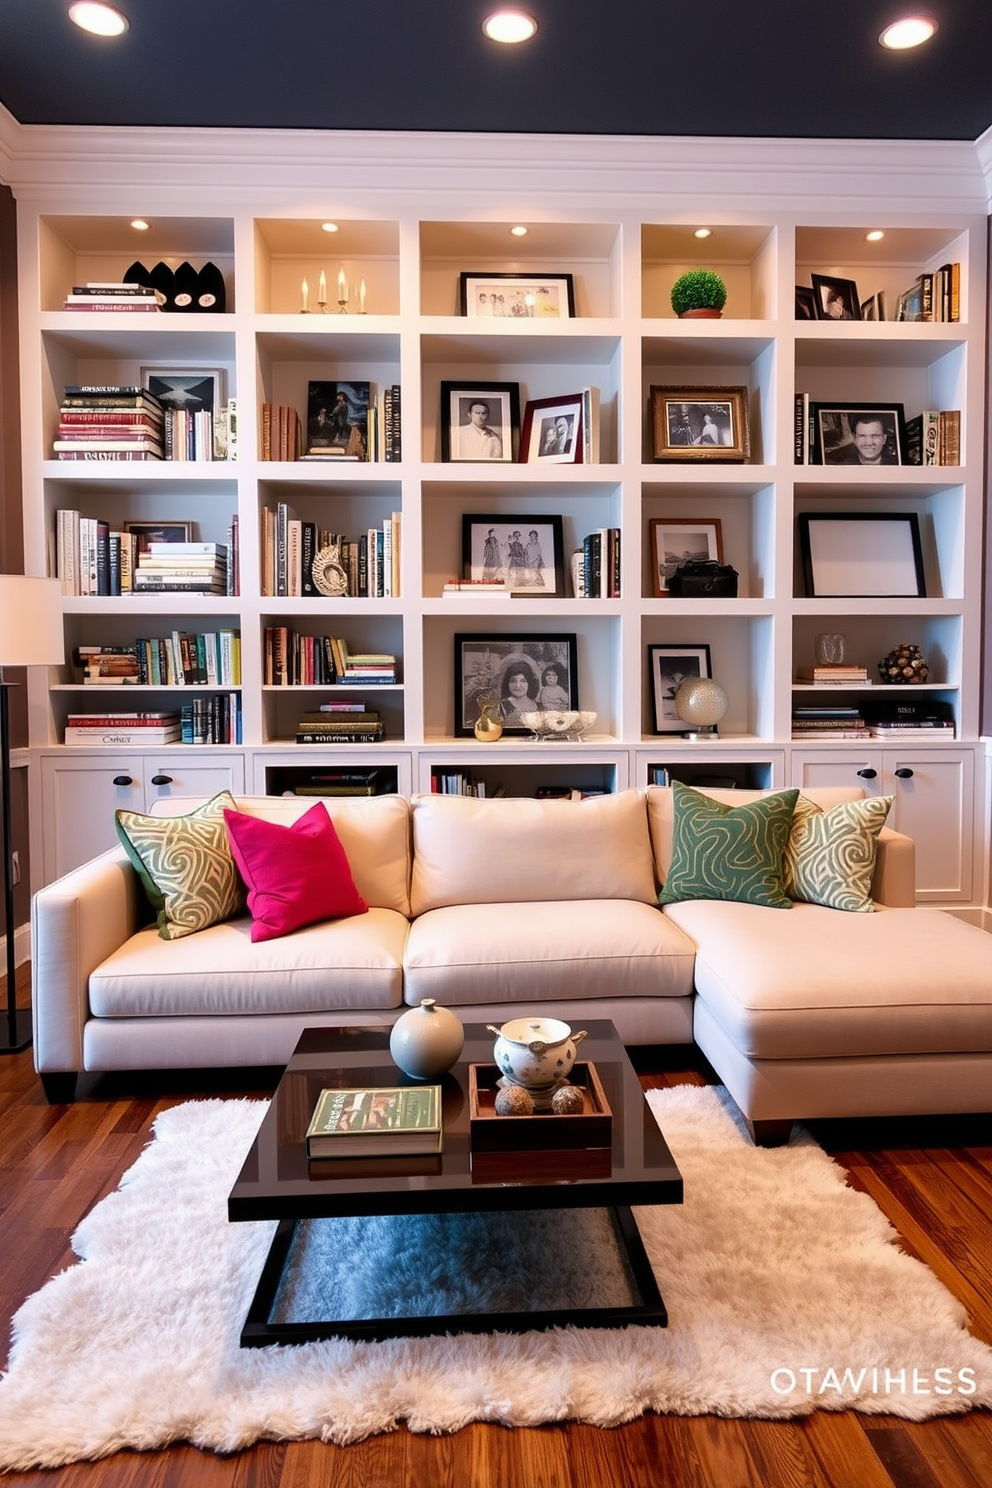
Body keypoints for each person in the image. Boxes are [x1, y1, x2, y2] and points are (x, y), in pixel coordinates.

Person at [829, 413, 898, 466]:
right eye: (862, 436)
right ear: (854, 439)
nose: (869, 442)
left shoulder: (897, 466)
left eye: (875, 436)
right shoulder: (842, 469)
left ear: (884, 439)